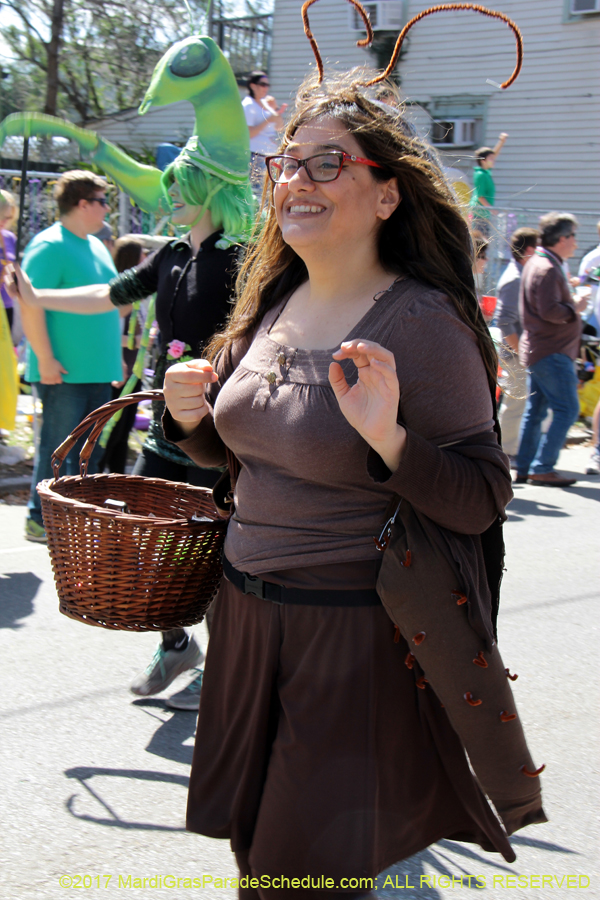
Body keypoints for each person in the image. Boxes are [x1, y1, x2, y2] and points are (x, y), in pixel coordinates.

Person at [158, 73, 544, 894]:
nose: (295, 180)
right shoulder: (274, 301)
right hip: (245, 620)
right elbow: (249, 459)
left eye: (327, 163)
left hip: (350, 639)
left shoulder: (424, 327)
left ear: (386, 196)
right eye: (288, 163)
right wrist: (190, 416)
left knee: (301, 874)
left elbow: (481, 498)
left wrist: (390, 439)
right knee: (259, 855)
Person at [9, 150, 251, 710]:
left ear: (211, 189)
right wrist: (37, 297)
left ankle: (221, 670)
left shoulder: (242, 257)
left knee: (210, 552)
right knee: (144, 543)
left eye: (181, 186)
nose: (170, 199)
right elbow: (110, 295)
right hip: (163, 423)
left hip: (213, 427)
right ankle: (178, 646)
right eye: (167, 188)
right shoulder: (169, 253)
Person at [20, 170, 123, 542]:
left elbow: (108, 304)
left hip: (97, 370)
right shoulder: (48, 245)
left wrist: (116, 356)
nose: (107, 209)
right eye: (102, 201)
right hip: (63, 371)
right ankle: (40, 520)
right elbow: (28, 305)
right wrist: (44, 359)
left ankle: (73, 521)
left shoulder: (94, 244)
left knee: (88, 455)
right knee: (57, 450)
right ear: (83, 204)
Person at [515, 212, 588, 486]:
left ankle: (525, 466)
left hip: (543, 349)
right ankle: (541, 467)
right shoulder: (547, 267)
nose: (576, 244)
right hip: (552, 351)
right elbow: (550, 310)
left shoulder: (540, 262)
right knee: (567, 410)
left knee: (536, 411)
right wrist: (575, 307)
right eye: (573, 237)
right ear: (562, 238)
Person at [493, 227, 538, 462]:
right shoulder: (515, 279)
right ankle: (506, 454)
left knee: (519, 405)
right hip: (515, 355)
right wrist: (523, 352)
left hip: (519, 353)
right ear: (529, 250)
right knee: (514, 405)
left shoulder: (522, 274)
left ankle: (511, 450)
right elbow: (504, 321)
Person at [242, 71, 288, 190]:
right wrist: (269, 119)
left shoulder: (266, 104)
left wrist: (275, 109)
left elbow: (280, 127)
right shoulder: (248, 105)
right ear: (252, 85)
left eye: (267, 85)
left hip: (270, 156)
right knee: (258, 194)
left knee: (271, 192)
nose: (266, 88)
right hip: (256, 156)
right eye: (263, 84)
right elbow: (248, 134)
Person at [469, 133, 508, 236]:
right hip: (479, 214)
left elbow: (494, 154)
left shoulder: (486, 172)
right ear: (483, 161)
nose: (493, 160)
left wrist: (501, 142)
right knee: (479, 241)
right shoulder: (480, 175)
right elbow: (480, 196)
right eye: (490, 158)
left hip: (484, 214)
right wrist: (492, 210)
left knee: (484, 240)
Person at [0, 189, 17, 334]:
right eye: (1, 216)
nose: (4, 221)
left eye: (8, 217)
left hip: (6, 306)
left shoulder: (10, 238)